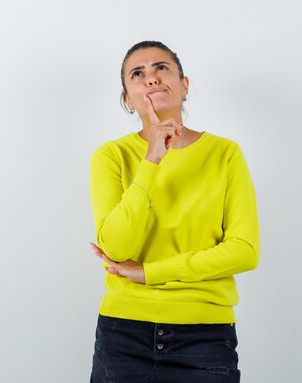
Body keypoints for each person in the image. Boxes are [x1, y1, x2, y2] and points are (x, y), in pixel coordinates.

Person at [89, 41, 259, 383]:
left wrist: (150, 272)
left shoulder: (225, 154)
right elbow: (117, 248)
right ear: (127, 98)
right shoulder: (111, 156)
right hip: (124, 334)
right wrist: (152, 159)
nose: (151, 78)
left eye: (161, 68)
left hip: (205, 336)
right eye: (138, 74)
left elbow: (245, 251)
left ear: (184, 84)